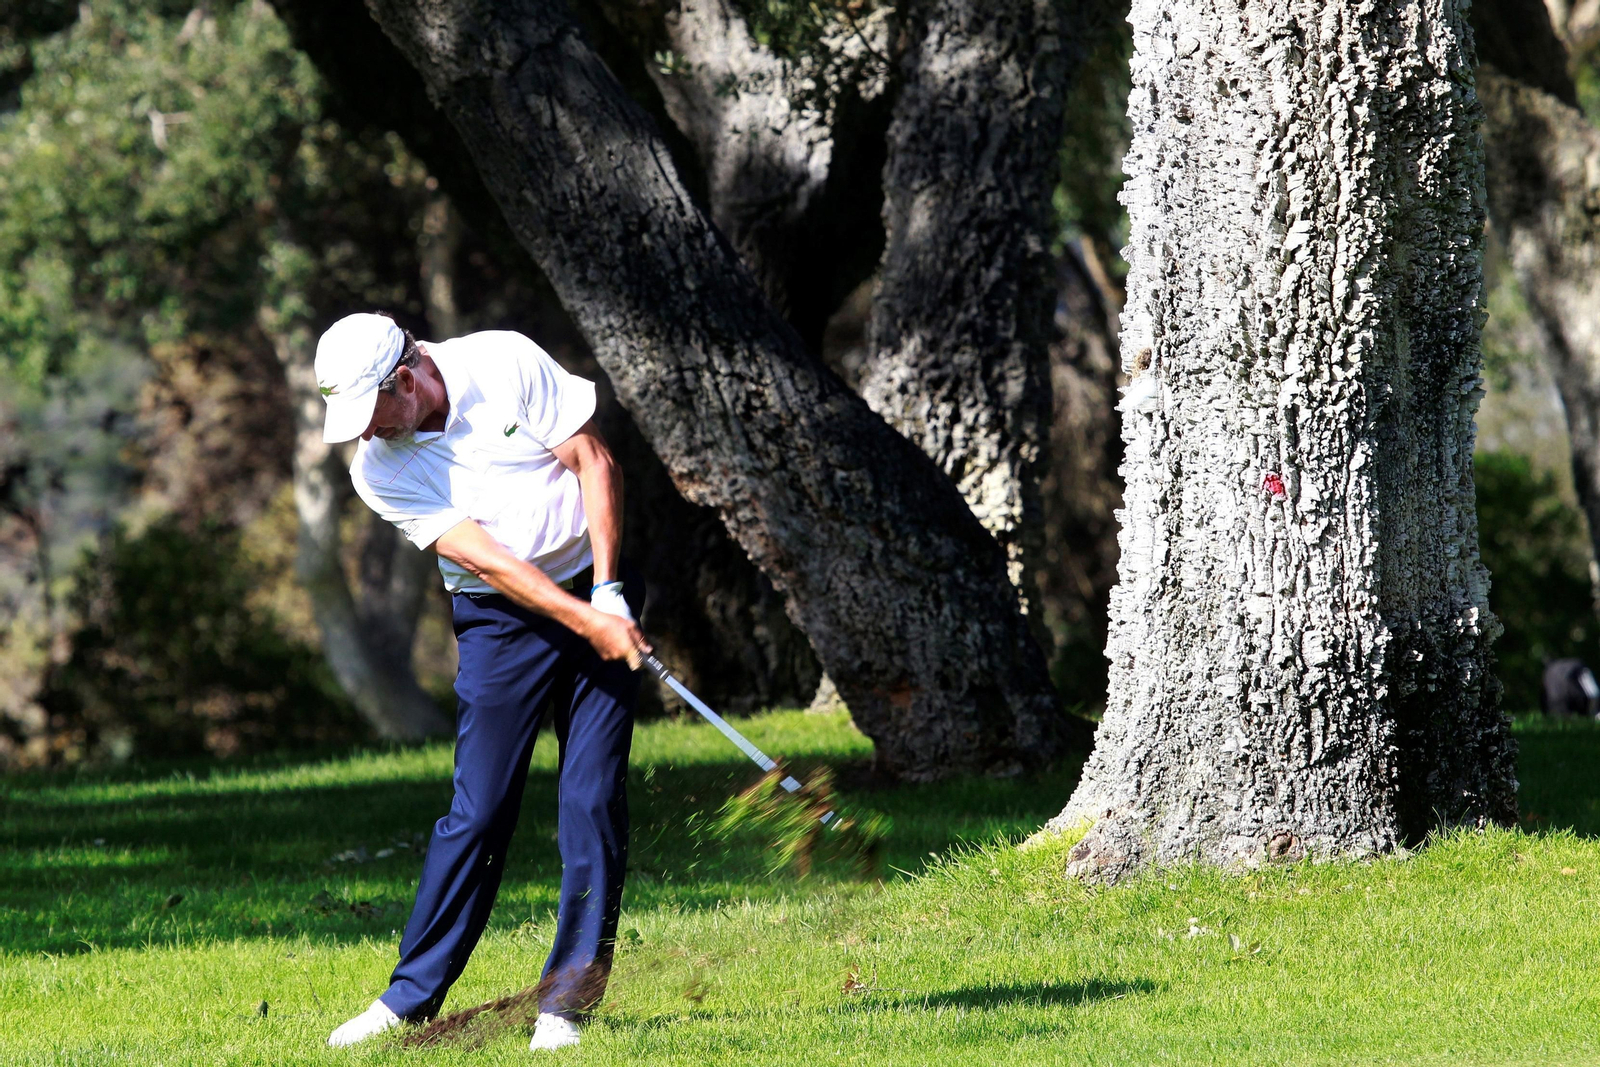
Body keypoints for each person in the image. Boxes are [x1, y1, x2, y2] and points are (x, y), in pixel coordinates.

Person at [315, 313, 650, 1052]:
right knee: (479, 808)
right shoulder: (378, 469)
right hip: (499, 620)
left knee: (591, 796)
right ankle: (409, 998)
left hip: (597, 580)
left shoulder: (501, 362)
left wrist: (610, 591)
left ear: (406, 378)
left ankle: (566, 999)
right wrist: (580, 615)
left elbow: (596, 462)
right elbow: (491, 562)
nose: (366, 434)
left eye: (372, 414)